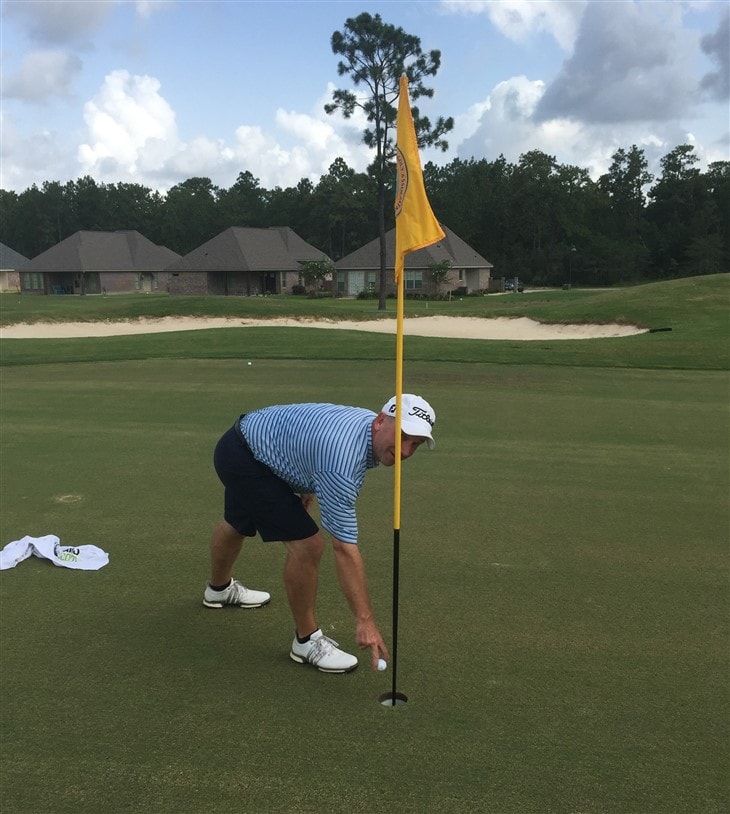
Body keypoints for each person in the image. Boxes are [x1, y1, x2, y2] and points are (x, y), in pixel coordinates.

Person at [203, 394, 436, 674]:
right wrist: (365, 620)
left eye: (416, 444)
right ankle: (306, 641)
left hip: (246, 441)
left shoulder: (364, 428)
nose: (406, 451)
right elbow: (344, 548)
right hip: (248, 458)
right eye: (402, 436)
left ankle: (218, 591)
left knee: (237, 522)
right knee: (308, 545)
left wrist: (306, 484)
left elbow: (309, 435)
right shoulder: (342, 461)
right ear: (380, 422)